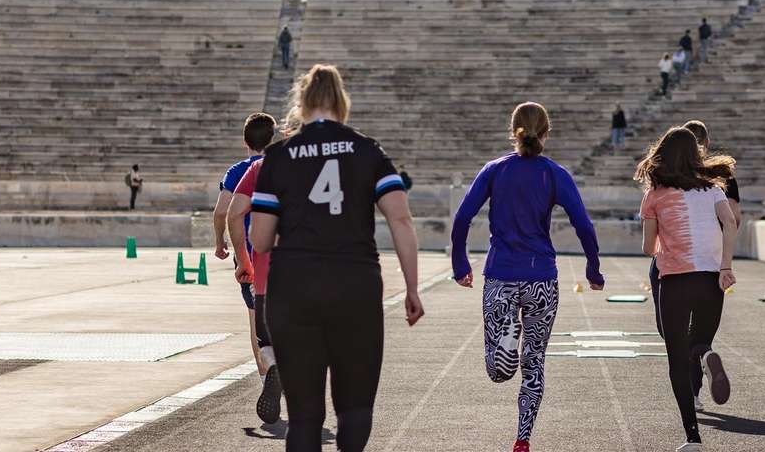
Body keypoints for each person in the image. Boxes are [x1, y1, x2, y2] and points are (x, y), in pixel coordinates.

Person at [247, 64, 424, 452]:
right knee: (355, 408)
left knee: (304, 418)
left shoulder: (278, 156)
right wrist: (412, 288)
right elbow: (401, 218)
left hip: (294, 287)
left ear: (302, 102)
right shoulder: (367, 149)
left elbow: (260, 240)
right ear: (342, 101)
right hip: (355, 284)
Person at [450, 102, 605, 452]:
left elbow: (462, 218)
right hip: (541, 281)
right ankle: (523, 439)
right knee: (533, 364)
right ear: (546, 133)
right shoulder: (554, 174)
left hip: (501, 276)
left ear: (513, 131)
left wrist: (460, 265)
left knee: (497, 371)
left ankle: (506, 335)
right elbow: (583, 224)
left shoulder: (494, 170)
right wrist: (593, 269)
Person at [637, 127, 738, 452]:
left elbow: (648, 247)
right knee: (699, 341)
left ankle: (692, 437)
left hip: (675, 280)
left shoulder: (655, 194)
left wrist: (665, 240)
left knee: (677, 359)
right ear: (696, 155)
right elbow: (731, 223)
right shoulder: (713, 189)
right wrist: (725, 266)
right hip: (711, 279)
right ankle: (707, 355)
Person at [647, 120, 742, 373]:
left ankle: (693, 368)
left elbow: (650, 243)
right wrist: (724, 259)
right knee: (700, 334)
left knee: (672, 332)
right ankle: (701, 358)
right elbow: (734, 219)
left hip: (672, 264)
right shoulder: (718, 178)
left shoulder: (662, 183)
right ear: (704, 144)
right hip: (710, 263)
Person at [213, 113, 278, 423]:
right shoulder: (281, 167)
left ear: (244, 140)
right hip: (286, 255)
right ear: (273, 138)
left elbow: (223, 212)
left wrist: (220, 243)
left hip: (250, 256)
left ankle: (267, 377)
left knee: (256, 320)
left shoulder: (239, 171)